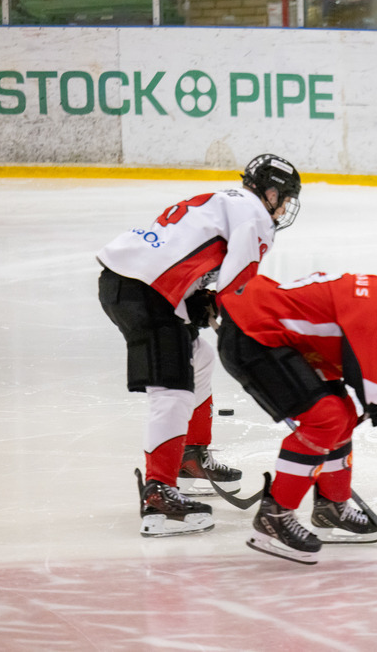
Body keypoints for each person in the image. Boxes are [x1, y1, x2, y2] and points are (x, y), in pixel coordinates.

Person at [97, 154, 302, 537]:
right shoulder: (254, 215)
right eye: (286, 198)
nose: (285, 207)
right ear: (271, 193)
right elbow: (236, 289)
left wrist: (200, 301)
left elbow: (184, 257)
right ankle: (159, 493)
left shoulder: (224, 201)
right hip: (147, 289)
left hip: (131, 281)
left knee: (199, 358)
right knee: (173, 390)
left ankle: (189, 455)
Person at [216, 249, 377, 565]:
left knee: (343, 414)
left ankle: (331, 508)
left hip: (271, 332)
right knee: (325, 418)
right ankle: (275, 517)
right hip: (254, 333)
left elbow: (365, 374)